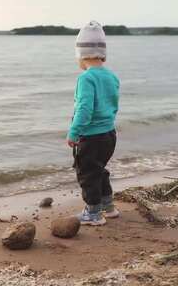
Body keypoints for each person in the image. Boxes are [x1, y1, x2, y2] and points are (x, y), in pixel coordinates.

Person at [67, 21, 120, 226]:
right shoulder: (112, 76)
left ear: (80, 55)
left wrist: (74, 132)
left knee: (87, 174)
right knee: (100, 170)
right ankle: (109, 207)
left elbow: (84, 109)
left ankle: (93, 213)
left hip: (90, 136)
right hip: (109, 134)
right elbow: (113, 105)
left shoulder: (86, 78)